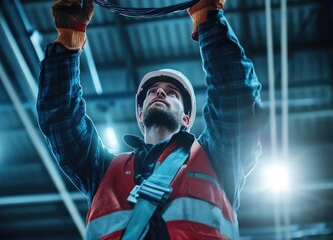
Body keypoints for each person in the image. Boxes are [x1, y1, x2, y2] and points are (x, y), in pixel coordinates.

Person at [37, 0, 264, 239]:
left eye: (172, 92)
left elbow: (236, 96)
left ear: (186, 118)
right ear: (139, 114)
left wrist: (207, 18)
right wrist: (69, 40)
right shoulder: (102, 171)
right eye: (153, 90)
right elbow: (60, 117)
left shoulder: (218, 157)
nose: (160, 92)